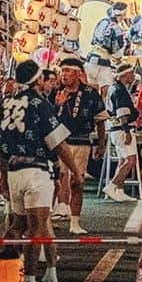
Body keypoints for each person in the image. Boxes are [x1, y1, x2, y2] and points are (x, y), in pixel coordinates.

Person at [0, 57, 82, 282]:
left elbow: (0, 146)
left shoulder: (6, 104)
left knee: (17, 225)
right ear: (39, 79)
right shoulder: (38, 103)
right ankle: (30, 277)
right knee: (37, 226)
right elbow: (58, 144)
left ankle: (1, 269)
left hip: (13, 171)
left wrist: (3, 178)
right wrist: (75, 171)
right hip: (36, 171)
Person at [52, 56, 106, 234]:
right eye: (62, 71)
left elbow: (100, 121)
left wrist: (101, 143)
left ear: (77, 74)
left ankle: (75, 222)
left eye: (68, 71)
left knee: (78, 181)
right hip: (59, 142)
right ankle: (57, 210)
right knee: (58, 179)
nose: (64, 75)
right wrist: (57, 103)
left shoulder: (90, 94)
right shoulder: (56, 92)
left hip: (82, 142)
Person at [104, 60, 142, 201]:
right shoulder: (120, 91)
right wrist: (127, 131)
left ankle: (119, 191)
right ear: (125, 75)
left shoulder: (114, 89)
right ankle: (112, 186)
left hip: (115, 128)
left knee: (122, 160)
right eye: (131, 74)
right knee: (130, 160)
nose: (133, 76)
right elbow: (122, 113)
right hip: (122, 129)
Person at [86, 2, 127, 88]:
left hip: (90, 60)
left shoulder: (102, 22)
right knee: (107, 90)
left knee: (91, 90)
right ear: (122, 15)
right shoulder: (117, 29)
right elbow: (117, 53)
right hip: (103, 63)